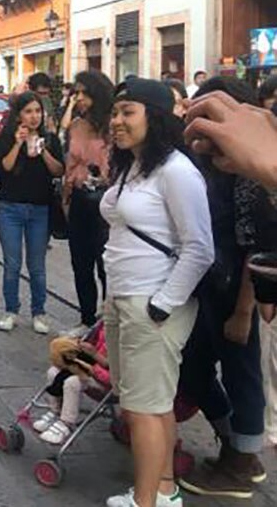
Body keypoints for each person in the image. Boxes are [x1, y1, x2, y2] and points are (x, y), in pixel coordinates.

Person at [100, 79, 213, 507]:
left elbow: (199, 247)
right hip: (125, 297)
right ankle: (163, 489)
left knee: (144, 409)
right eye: (115, 112)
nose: (116, 121)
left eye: (128, 112)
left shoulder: (176, 171)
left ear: (156, 116)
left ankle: (144, 502)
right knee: (148, 403)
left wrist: (162, 305)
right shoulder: (135, 165)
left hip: (152, 304)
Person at [177, 76, 267, 500]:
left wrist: (244, 310)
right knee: (192, 367)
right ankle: (235, 442)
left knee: (241, 373)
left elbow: (257, 242)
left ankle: (243, 462)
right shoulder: (210, 163)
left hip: (236, 290)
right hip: (209, 284)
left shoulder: (246, 170)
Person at [0, 91, 64, 334]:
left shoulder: (51, 139)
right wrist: (18, 142)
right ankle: (11, 310)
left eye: (37, 111)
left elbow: (58, 171)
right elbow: (5, 168)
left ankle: (39, 312)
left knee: (37, 266)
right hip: (10, 209)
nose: (34, 117)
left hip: (40, 210)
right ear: (19, 115)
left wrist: (42, 151)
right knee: (12, 264)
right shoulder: (7, 137)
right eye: (28, 112)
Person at [63, 70, 114, 335]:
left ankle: (107, 323)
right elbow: (68, 166)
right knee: (80, 262)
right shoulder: (76, 126)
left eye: (84, 93)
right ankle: (85, 318)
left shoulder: (114, 126)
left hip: (107, 203)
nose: (79, 98)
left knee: (106, 264)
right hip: (80, 200)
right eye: (76, 93)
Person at [32, 326, 111, 445]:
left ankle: (66, 423)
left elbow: (115, 374)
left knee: (73, 382)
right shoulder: (103, 326)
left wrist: (94, 359)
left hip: (107, 382)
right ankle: (55, 411)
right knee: (53, 372)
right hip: (87, 368)